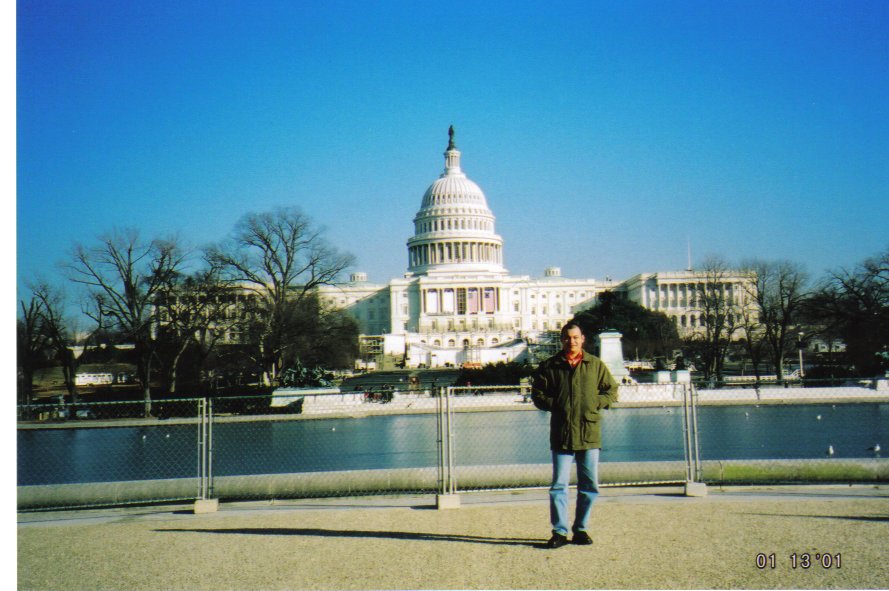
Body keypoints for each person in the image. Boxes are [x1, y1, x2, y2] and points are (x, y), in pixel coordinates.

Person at [531, 320, 619, 548]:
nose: (572, 341)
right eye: (568, 338)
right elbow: (537, 394)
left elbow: (611, 390)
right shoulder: (550, 366)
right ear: (562, 340)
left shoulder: (595, 364)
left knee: (589, 486)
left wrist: (595, 403)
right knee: (558, 486)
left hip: (589, 433)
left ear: (583, 339)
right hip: (562, 432)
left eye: (576, 337)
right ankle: (559, 532)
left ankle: (580, 529)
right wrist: (556, 404)